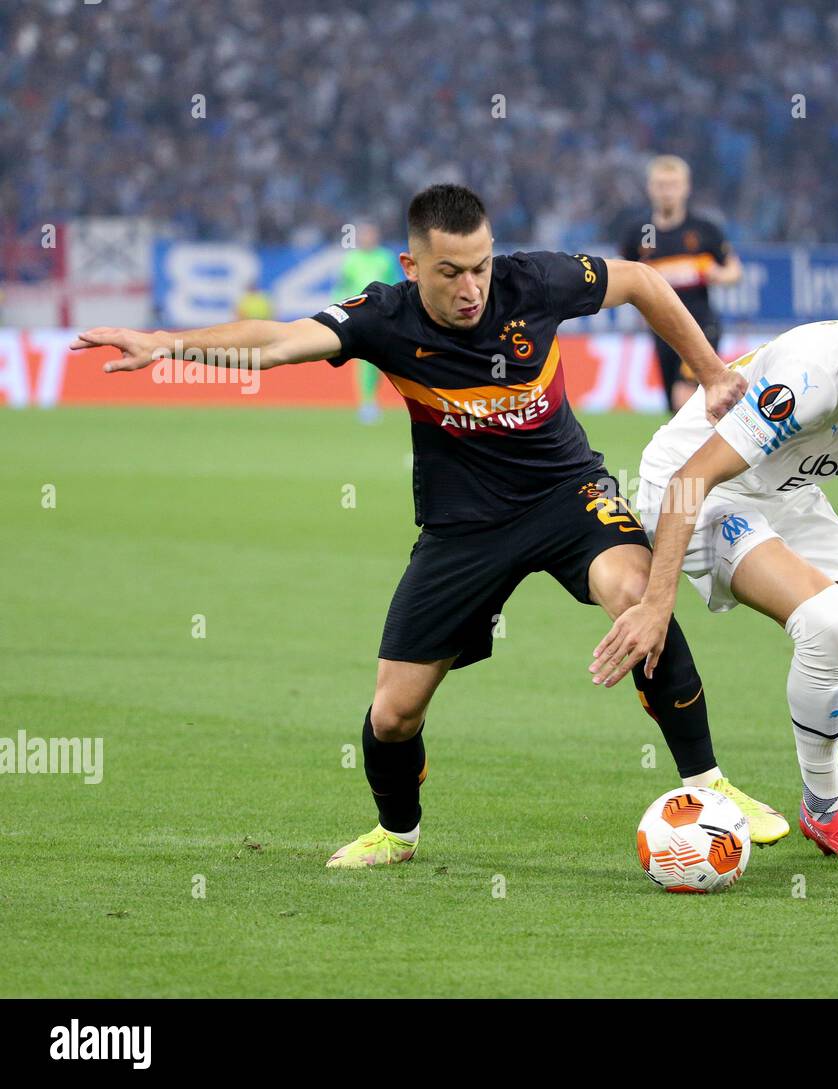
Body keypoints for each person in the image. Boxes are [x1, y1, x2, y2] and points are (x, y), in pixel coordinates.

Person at [71, 183, 790, 867]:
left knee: (639, 598)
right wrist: (169, 343)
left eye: (480, 265)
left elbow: (639, 278)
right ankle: (397, 832)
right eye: (450, 272)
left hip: (567, 494)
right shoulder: (385, 317)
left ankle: (708, 781)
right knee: (392, 715)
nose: (472, 286)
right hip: (463, 527)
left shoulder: (533, 282)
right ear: (413, 266)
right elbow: (281, 341)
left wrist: (710, 369)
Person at [591, 275, 838, 875]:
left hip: (784, 490)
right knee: (826, 619)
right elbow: (694, 477)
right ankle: (825, 808)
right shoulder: (816, 372)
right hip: (697, 490)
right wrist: (657, 599)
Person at [619, 155, 742, 412]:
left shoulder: (705, 230)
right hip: (662, 330)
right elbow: (623, 277)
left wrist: (717, 275)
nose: (667, 192)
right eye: (661, 185)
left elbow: (734, 271)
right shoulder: (636, 234)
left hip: (700, 327)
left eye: (674, 185)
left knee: (683, 397)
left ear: (686, 187)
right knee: (676, 411)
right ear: (650, 188)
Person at [337, 222, 403, 424]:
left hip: (381, 316)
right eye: (365, 235)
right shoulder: (351, 260)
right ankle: (366, 403)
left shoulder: (385, 258)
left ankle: (373, 399)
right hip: (357, 316)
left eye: (372, 234)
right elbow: (343, 287)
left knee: (378, 361)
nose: (368, 238)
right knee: (363, 363)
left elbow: (395, 284)